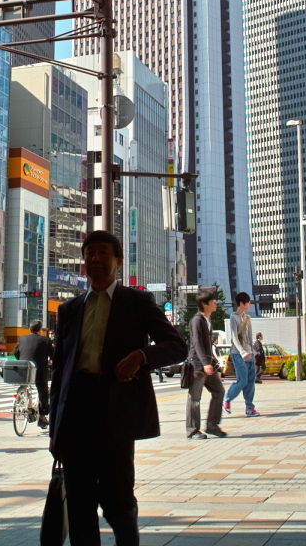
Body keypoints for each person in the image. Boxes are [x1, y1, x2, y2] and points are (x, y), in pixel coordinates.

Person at [47, 230, 186, 545]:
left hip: (116, 413)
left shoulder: (137, 302)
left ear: (118, 261)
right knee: (80, 505)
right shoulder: (69, 310)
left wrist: (141, 356)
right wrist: (55, 429)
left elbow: (177, 346)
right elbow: (59, 373)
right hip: (76, 414)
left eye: (103, 253)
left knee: (118, 502)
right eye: (89, 254)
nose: (95, 259)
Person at [186, 290, 227, 439]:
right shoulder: (197, 320)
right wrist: (205, 363)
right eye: (213, 301)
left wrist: (214, 363)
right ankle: (192, 430)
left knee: (219, 391)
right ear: (204, 304)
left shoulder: (207, 320)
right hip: (198, 365)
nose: (216, 303)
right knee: (194, 397)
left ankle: (212, 425)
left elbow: (207, 346)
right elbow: (197, 343)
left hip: (206, 364)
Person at [223, 292, 259, 416]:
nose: (249, 304)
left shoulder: (248, 318)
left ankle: (250, 408)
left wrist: (252, 352)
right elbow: (234, 338)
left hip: (249, 355)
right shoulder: (233, 317)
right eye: (248, 302)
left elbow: (249, 338)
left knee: (250, 382)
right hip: (238, 355)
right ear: (242, 303)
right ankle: (227, 398)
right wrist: (242, 352)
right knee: (242, 381)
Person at [13, 319, 53, 428]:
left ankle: (24, 404)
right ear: (40, 330)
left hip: (24, 369)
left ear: (29, 329)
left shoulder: (22, 339)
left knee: (26, 385)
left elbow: (16, 353)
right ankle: (42, 417)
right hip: (39, 371)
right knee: (43, 391)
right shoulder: (45, 340)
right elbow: (52, 355)